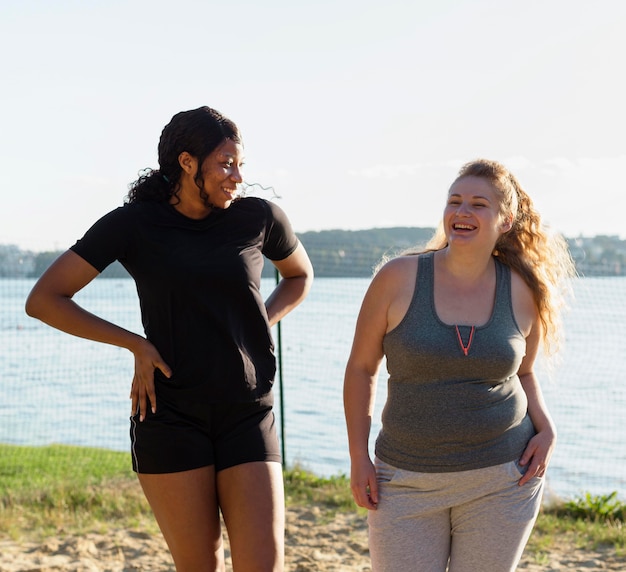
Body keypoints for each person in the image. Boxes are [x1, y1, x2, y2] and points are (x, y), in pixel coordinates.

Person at [25, 106, 313, 572]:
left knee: (265, 564)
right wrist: (134, 344)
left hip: (248, 412)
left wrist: (260, 320)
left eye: (240, 165)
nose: (237, 177)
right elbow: (45, 298)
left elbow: (299, 276)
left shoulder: (259, 218)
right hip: (171, 416)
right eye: (225, 164)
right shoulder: (134, 224)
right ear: (186, 162)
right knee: (200, 565)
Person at [343, 159, 575, 571]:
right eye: (455, 201)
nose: (462, 212)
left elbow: (523, 373)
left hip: (503, 479)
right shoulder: (398, 278)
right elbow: (362, 368)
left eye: (478, 204)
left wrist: (547, 426)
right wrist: (358, 457)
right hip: (406, 480)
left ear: (505, 221)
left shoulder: (523, 290)